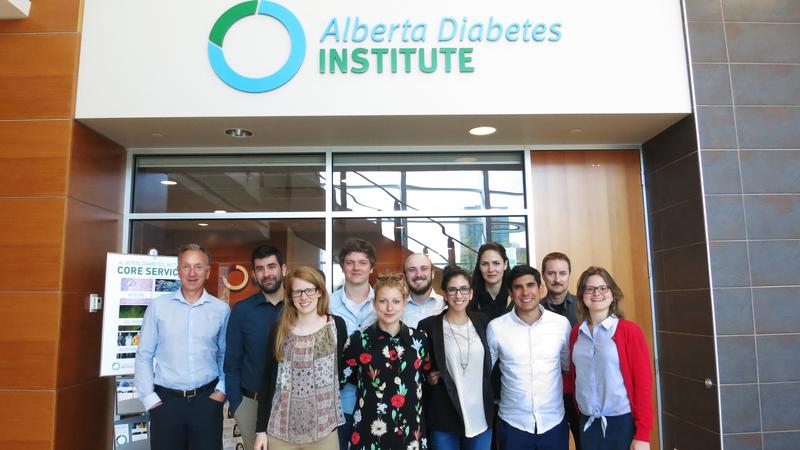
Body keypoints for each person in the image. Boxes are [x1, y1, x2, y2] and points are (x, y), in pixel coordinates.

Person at [134, 244, 230, 450]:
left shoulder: (221, 309)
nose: (192, 273)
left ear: (208, 271)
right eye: (186, 266)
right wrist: (151, 400)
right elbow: (144, 355)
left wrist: (221, 392)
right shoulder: (158, 306)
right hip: (166, 403)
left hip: (207, 402)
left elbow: (226, 355)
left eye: (198, 266)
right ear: (178, 270)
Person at [254, 266, 348, 450]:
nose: (304, 297)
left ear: (320, 291)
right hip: (280, 432)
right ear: (290, 297)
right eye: (297, 292)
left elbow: (341, 371)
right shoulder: (279, 330)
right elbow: (267, 382)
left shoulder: (336, 326)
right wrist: (260, 431)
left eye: (309, 290)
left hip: (324, 431)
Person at [341, 274, 431, 450]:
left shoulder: (419, 340)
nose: (390, 307)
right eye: (383, 301)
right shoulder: (358, 341)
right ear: (374, 303)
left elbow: (425, 378)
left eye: (396, 301)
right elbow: (343, 379)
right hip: (369, 432)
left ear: (404, 303)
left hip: (410, 432)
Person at [487, 264, 571, 450]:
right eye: (518, 287)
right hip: (513, 424)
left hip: (553, 423)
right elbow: (486, 370)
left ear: (540, 288)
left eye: (530, 285)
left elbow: (566, 366)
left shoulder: (561, 324)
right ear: (510, 292)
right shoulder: (496, 327)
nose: (525, 292)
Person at [569, 267, 653, 450]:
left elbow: (643, 385)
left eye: (603, 288)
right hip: (588, 424)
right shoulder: (576, 333)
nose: (596, 293)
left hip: (621, 424)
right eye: (590, 289)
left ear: (612, 294)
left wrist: (643, 435)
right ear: (582, 295)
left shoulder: (629, 331)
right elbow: (576, 378)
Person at [418, 266, 494, 450]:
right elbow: (419, 367)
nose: (458, 295)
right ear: (444, 294)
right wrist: (428, 378)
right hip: (444, 415)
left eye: (464, 289)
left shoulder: (483, 322)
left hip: (480, 413)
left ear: (471, 293)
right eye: (452, 290)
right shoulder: (428, 326)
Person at [224, 245, 286, 450]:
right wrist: (237, 405)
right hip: (251, 403)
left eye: (271, 266)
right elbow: (232, 363)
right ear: (254, 274)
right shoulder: (242, 311)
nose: (266, 273)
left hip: (290, 403)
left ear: (283, 269)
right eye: (260, 269)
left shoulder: (298, 307)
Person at [330, 238, 378, 450]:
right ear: (342, 268)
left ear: (372, 267)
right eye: (350, 262)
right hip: (337, 403)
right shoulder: (326, 304)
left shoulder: (385, 304)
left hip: (377, 402)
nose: (356, 267)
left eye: (362, 262)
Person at [541, 252, 581, 450]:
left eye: (562, 273)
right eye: (551, 273)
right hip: (545, 395)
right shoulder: (533, 308)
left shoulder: (584, 307)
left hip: (578, 393)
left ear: (569, 275)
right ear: (543, 275)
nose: (557, 279)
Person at [469, 242, 512, 320]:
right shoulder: (469, 294)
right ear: (479, 266)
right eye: (485, 264)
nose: (491, 269)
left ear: (505, 264)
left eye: (496, 263)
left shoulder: (516, 294)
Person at [402, 253, 446, 328]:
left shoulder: (446, 306)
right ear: (405, 276)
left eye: (424, 268)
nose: (418, 274)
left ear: (432, 274)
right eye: (412, 270)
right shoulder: (396, 309)